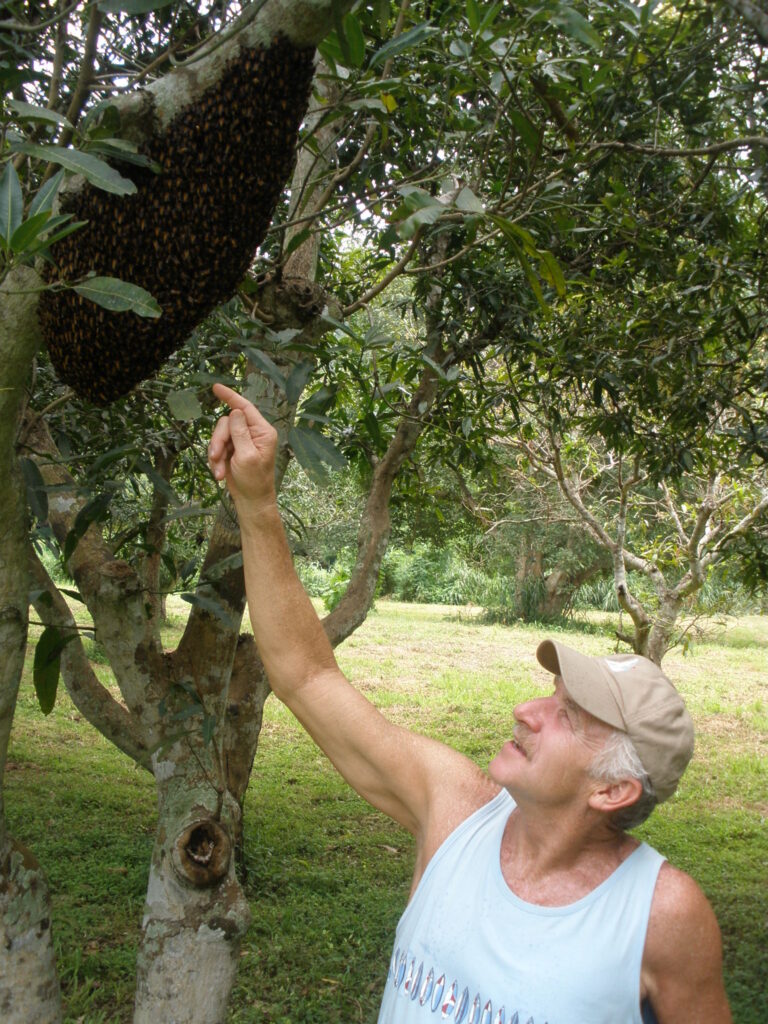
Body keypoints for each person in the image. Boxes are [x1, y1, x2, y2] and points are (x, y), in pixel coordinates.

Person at [207, 383, 732, 1024]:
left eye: (567, 717)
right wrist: (257, 502)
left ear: (613, 790)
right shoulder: (455, 810)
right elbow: (305, 676)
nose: (526, 710)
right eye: (551, 695)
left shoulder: (663, 914)